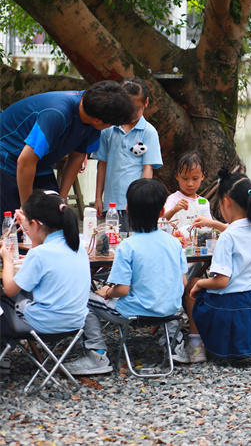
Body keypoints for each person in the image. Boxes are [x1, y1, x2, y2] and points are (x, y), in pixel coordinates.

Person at [64, 179, 188, 375]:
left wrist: (107, 291)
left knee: (86, 299)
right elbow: (182, 282)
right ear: (162, 212)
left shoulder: (128, 246)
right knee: (165, 292)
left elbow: (122, 290)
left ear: (128, 209)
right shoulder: (174, 243)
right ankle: (174, 344)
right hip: (169, 310)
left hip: (134, 312)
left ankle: (97, 354)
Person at [186, 170, 251, 359]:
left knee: (192, 283)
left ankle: (196, 346)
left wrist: (200, 284)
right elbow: (238, 230)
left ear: (226, 202)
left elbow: (221, 281)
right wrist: (214, 224)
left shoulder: (227, 238)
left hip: (230, 304)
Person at [0, 81, 137, 214]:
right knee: (17, 225)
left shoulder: (94, 114)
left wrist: (62, 198)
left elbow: (77, 156)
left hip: (39, 164)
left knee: (54, 215)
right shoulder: (56, 113)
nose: (110, 127)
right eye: (111, 124)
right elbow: (25, 161)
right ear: (98, 121)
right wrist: (27, 208)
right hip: (7, 159)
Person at [0, 191, 89, 349]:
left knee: (3, 302)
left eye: (27, 224)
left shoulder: (38, 254)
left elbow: (9, 290)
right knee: (28, 293)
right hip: (76, 322)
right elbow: (41, 245)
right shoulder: (78, 247)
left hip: (45, 325)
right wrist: (28, 226)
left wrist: (6, 259)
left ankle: (5, 353)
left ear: (35, 223)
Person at [93, 78, 163, 232]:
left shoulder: (148, 132)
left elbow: (147, 169)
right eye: (128, 107)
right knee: (111, 246)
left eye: (137, 108)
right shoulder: (108, 129)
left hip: (135, 205)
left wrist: (142, 200)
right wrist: (98, 198)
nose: (132, 113)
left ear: (146, 103)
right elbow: (102, 165)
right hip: (110, 205)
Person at [163, 150, 205, 237]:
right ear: (177, 176)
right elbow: (162, 220)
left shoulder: (203, 202)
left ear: (202, 176)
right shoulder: (173, 199)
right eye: (185, 178)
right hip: (176, 244)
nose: (190, 184)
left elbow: (209, 226)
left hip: (196, 246)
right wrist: (174, 210)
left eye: (195, 179)